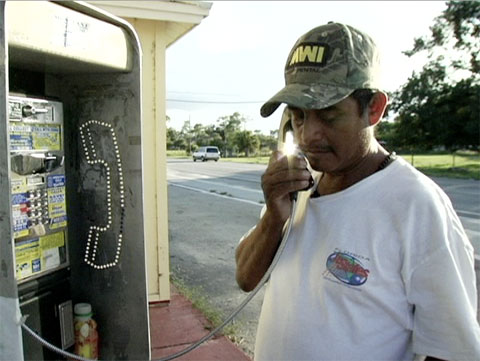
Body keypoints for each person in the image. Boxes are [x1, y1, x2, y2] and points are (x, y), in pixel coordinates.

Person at [235, 22, 480, 361]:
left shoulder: (416, 206)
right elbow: (246, 279)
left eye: (329, 115)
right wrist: (273, 219)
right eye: (299, 116)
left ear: (374, 108)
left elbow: (452, 351)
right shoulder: (295, 187)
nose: (308, 136)